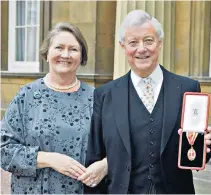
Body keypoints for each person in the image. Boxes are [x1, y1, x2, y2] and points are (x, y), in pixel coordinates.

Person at [84, 10, 211, 194]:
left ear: (159, 43)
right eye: (133, 42)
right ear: (123, 46)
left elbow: (196, 153)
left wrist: (205, 146)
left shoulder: (187, 88)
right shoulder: (105, 95)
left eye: (148, 40)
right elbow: (94, 160)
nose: (141, 49)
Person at [0, 22, 107, 194]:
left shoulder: (96, 99)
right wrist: (49, 159)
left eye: (73, 49)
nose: (65, 54)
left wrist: (105, 166)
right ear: (47, 54)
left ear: (81, 56)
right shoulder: (26, 96)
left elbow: (119, 147)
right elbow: (3, 150)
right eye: (59, 47)